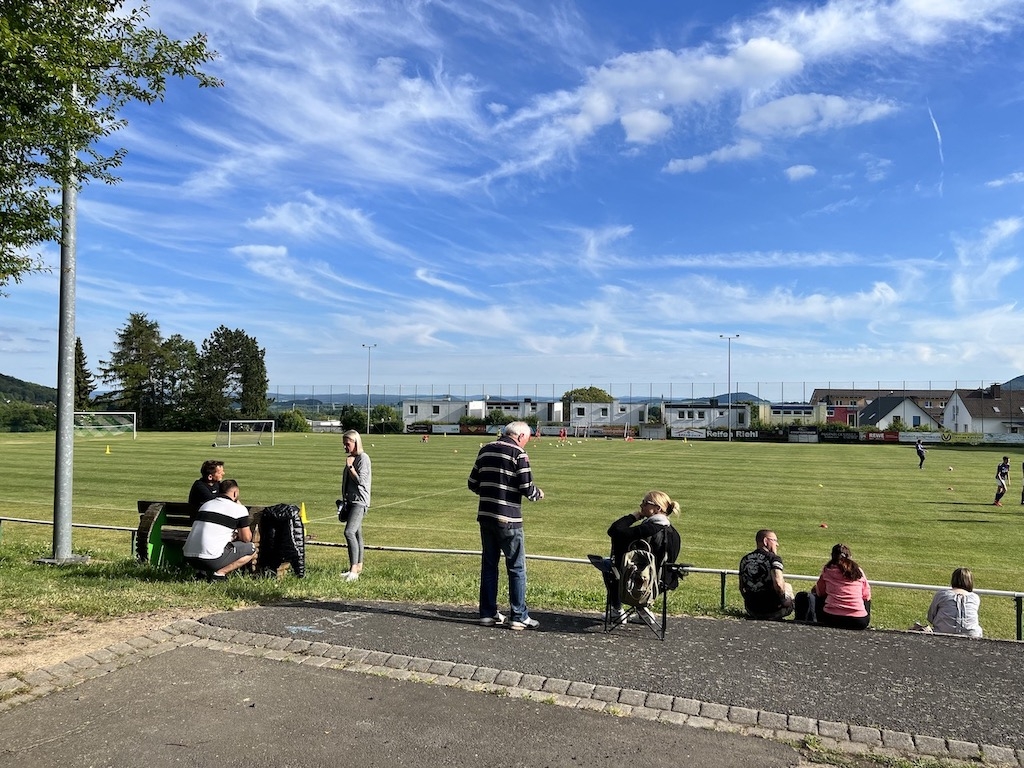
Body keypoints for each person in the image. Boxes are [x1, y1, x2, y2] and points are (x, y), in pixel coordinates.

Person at [468, 421, 544, 630]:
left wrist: (490, 492)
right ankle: (518, 615)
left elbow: (472, 483)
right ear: (520, 436)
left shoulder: (485, 450)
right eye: (527, 439)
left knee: (489, 566)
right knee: (516, 568)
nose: (526, 443)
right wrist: (538, 494)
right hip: (509, 519)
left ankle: (487, 613)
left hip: (486, 516)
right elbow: (527, 487)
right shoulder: (519, 454)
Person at [603, 491, 682, 624]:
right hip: (662, 583)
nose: (641, 506)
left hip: (638, 583)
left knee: (608, 565)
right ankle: (642, 610)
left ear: (657, 508)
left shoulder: (647, 530)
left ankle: (617, 610)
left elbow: (615, 531)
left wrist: (633, 517)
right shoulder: (674, 533)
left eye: (645, 503)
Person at [182, 479, 255, 580]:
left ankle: (201, 573)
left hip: (189, 557)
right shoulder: (239, 509)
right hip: (211, 560)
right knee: (252, 548)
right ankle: (220, 574)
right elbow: (246, 538)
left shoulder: (205, 505)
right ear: (235, 493)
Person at [738, 529, 794, 620]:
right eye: (774, 540)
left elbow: (741, 587)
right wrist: (784, 601)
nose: (777, 544)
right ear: (765, 541)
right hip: (773, 610)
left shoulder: (744, 559)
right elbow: (778, 584)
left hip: (751, 610)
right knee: (787, 586)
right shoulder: (774, 559)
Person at [813, 543, 871, 630]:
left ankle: (818, 618)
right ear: (850, 556)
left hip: (830, 618)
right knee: (866, 598)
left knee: (818, 594)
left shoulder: (827, 570)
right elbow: (866, 595)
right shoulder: (858, 571)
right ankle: (862, 614)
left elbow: (820, 592)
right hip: (859, 621)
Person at [339, 429, 371, 582]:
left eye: (347, 444)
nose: (345, 447)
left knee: (349, 532)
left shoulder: (363, 458)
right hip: (351, 501)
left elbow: (361, 481)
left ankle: (353, 571)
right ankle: (358, 567)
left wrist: (350, 467)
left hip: (359, 501)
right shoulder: (352, 458)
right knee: (357, 534)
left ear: (356, 443)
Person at [920, 567, 983, 637]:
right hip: (972, 635)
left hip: (943, 633)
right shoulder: (975, 597)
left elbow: (931, 617)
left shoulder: (942, 595)